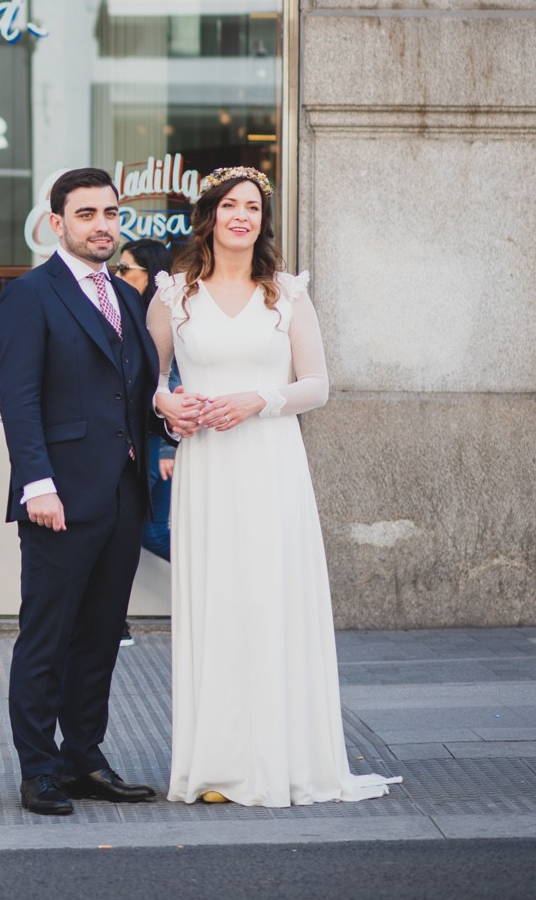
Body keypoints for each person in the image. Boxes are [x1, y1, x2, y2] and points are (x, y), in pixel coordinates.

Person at [148, 166, 400, 807]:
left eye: (253, 208)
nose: (242, 217)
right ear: (209, 215)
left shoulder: (285, 294)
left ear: (263, 220)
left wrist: (257, 399)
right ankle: (217, 763)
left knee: (269, 602)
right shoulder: (173, 294)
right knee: (216, 606)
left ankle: (281, 758)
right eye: (230, 205)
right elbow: (145, 382)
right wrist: (166, 404)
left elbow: (317, 385)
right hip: (205, 467)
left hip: (270, 465)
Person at [0, 167, 163, 817]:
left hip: (121, 495)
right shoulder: (30, 295)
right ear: (57, 222)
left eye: (110, 212)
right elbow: (20, 396)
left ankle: (84, 757)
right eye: (86, 213)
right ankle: (38, 767)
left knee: (99, 637)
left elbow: (133, 390)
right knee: (47, 635)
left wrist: (168, 415)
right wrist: (37, 483)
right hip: (57, 497)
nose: (102, 224)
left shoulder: (126, 294)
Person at [116, 239, 177, 565]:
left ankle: (218, 581)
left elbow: (176, 379)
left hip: (157, 441)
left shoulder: (164, 316)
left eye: (126, 268)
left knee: (150, 532)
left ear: (150, 273)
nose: (118, 274)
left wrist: (168, 448)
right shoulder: (133, 313)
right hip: (142, 440)